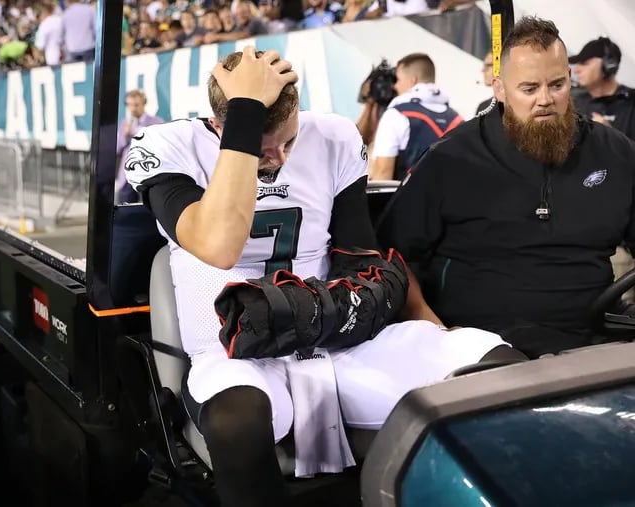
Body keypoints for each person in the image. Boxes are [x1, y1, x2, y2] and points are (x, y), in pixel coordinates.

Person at [125, 47, 520, 507]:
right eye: (264, 146)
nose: (278, 157)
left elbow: (362, 256)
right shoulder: (173, 146)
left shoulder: (331, 137)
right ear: (220, 125)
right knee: (238, 424)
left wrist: (424, 321)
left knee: (497, 364)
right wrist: (244, 125)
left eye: (288, 141)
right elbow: (217, 244)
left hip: (330, 330)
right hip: (234, 351)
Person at [382, 16, 635, 359]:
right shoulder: (451, 159)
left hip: (596, 339)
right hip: (485, 347)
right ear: (500, 89)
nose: (545, 99)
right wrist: (435, 332)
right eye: (529, 89)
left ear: (570, 80)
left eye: (557, 85)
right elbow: (393, 256)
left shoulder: (614, 151)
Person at [369, 53, 462, 181]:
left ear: (412, 80)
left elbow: (382, 174)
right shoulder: (459, 120)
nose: (395, 86)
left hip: (408, 200)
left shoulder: (395, 116)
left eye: (398, 80)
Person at [570, 37, 635, 141]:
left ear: (609, 65)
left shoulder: (631, 103)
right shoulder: (574, 102)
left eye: (584, 63)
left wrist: (611, 135)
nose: (576, 70)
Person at [115, 90, 163, 204]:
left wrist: (136, 131)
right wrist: (125, 136)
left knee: (146, 211)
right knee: (124, 213)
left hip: (148, 174)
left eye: (136, 105)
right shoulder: (124, 124)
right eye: (129, 105)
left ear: (144, 103)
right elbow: (117, 149)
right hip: (127, 176)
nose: (132, 108)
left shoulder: (156, 122)